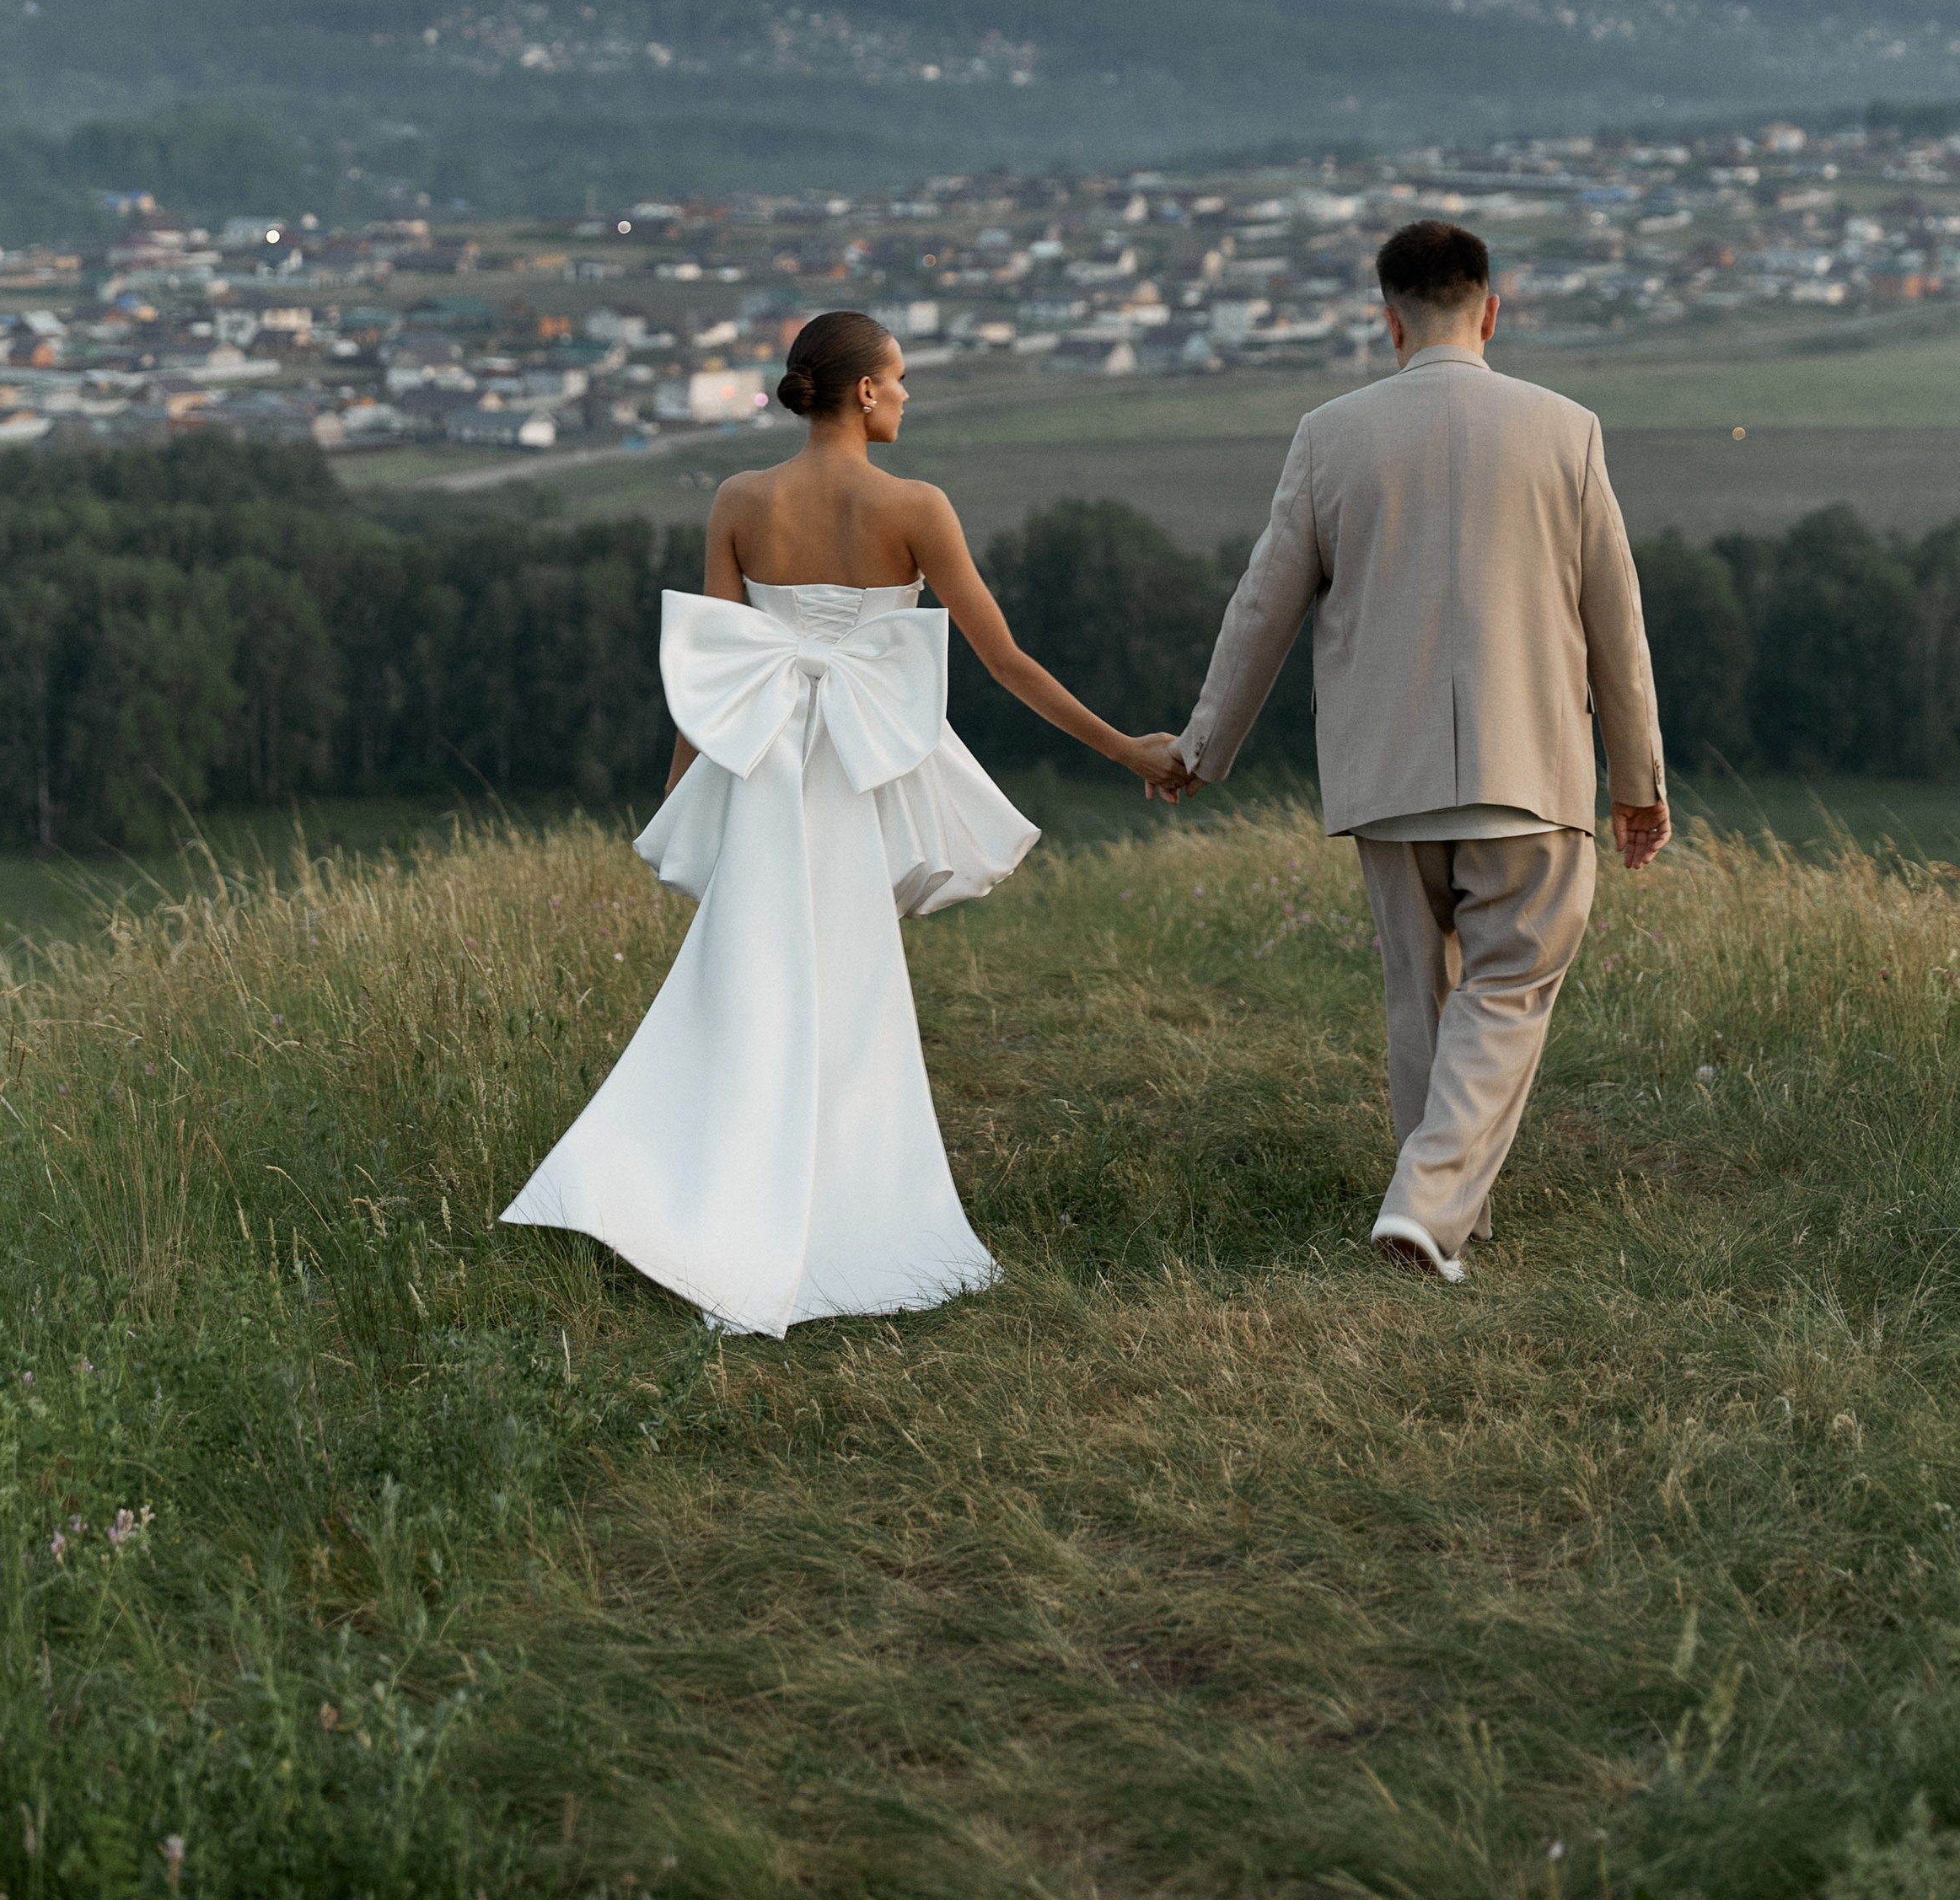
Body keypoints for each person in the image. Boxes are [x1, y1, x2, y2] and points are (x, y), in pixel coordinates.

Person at [502, 309, 1186, 1337]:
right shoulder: (916, 505)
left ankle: (696, 1208)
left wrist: (679, 809)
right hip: (851, 784)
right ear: (862, 392)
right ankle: (837, 1222)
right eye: (900, 379)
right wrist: (1130, 750)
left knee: (745, 999)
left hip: (769, 777)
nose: (907, 395)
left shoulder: (740, 500)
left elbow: (711, 684)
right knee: (845, 1004)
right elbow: (1005, 664)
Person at [1167, 219, 1669, 1281]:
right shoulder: (1566, 429)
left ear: (1386, 321)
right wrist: (1638, 780)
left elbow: (1263, 605)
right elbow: (1614, 618)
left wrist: (1204, 747)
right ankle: (1429, 1209)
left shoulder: (1327, 434)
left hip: (1384, 776)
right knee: (1508, 986)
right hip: (1531, 770)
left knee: (1420, 997)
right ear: (1492, 310)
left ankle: (1446, 1214)